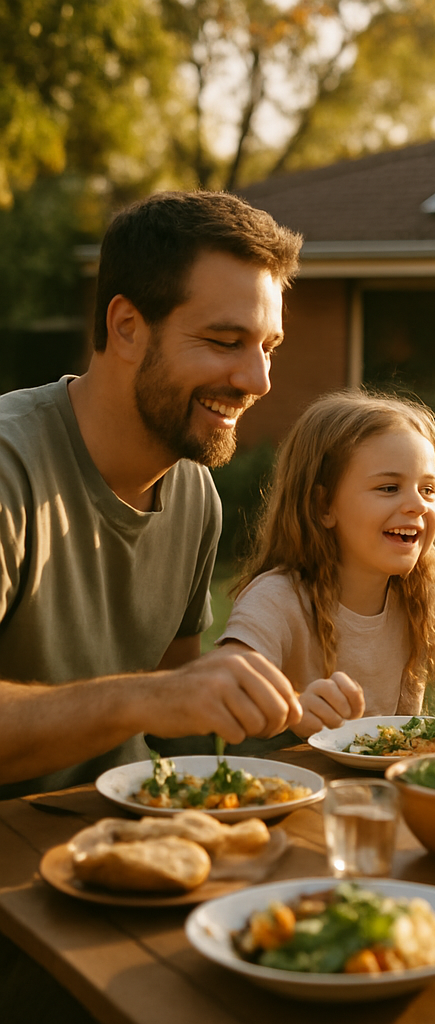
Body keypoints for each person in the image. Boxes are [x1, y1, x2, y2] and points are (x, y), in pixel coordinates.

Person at [0, 190, 306, 801]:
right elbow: (157, 697)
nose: (258, 380)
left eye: (267, 348)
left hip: (132, 840)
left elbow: (178, 714)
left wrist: (294, 721)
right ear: (127, 327)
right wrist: (143, 697)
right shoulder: (9, 469)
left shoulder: (194, 493)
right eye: (225, 341)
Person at [218, 390, 435, 734]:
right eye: (389, 488)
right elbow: (225, 692)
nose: (417, 505)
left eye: (428, 490)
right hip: (290, 784)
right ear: (324, 506)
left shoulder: (432, 594)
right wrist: (295, 707)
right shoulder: (277, 599)